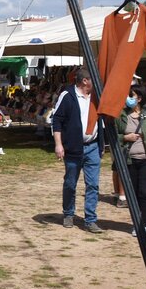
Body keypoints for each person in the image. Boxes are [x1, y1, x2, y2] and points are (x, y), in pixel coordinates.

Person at [52, 67, 103, 233]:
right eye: (93, 79)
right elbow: (57, 121)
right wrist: (59, 144)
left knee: (93, 184)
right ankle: (68, 213)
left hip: (93, 146)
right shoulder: (67, 96)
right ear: (85, 81)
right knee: (70, 183)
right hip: (74, 148)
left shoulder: (97, 97)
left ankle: (90, 220)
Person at [116, 82, 146, 237]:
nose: (128, 98)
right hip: (129, 160)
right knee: (133, 194)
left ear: (139, 98)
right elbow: (114, 136)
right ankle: (136, 223)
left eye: (131, 95)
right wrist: (125, 137)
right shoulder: (121, 115)